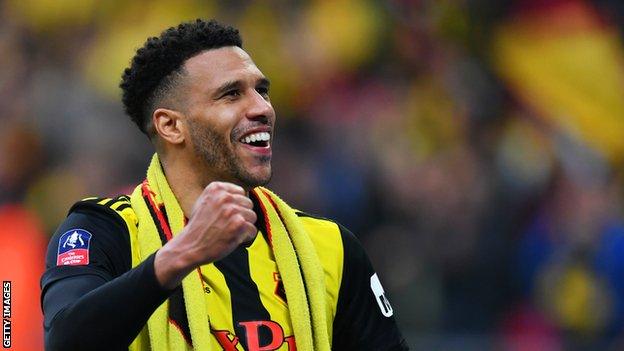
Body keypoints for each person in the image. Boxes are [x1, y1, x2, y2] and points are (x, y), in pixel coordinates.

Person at [40, 19, 408, 351]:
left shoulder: (330, 248)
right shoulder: (105, 232)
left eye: (261, 90)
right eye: (231, 94)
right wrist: (181, 255)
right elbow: (65, 340)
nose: (262, 107)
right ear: (171, 126)